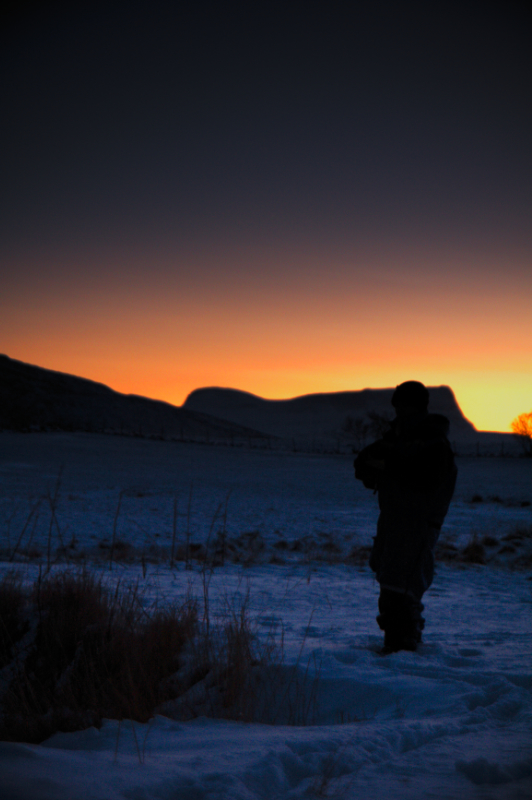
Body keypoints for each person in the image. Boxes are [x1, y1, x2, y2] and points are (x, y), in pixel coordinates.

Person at [354, 381, 457, 653]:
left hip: (418, 524)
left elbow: (424, 479)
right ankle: (397, 647)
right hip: (392, 520)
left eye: (404, 405)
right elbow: (363, 461)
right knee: (389, 583)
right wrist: (382, 467)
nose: (399, 410)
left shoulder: (434, 442)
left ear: (418, 406)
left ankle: (404, 649)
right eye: (397, 405)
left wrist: (388, 467)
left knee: (404, 588)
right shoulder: (397, 437)